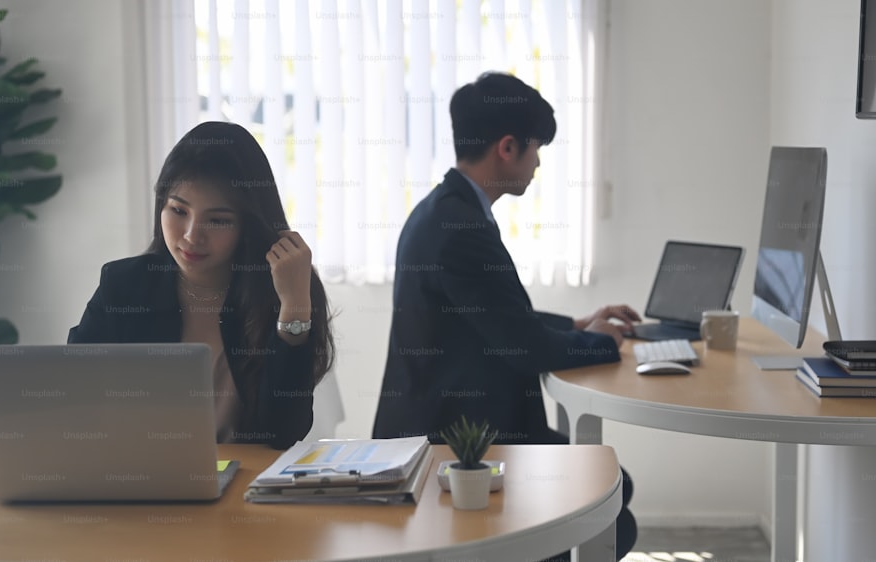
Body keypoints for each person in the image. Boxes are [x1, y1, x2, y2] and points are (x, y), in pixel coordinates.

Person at [371, 72, 639, 560]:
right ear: (508, 147)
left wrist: (577, 325)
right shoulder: (461, 228)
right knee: (613, 511)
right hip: (457, 443)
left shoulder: (445, 210)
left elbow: (495, 318)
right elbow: (525, 347)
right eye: (537, 149)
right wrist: (608, 343)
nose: (538, 163)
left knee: (616, 494)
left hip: (459, 424)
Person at [69, 121, 334, 450]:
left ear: (247, 223)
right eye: (179, 210)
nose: (192, 235)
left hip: (243, 485)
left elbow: (283, 432)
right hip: (142, 478)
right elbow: (75, 398)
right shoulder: (125, 286)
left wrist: (294, 305)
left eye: (218, 219)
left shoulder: (283, 288)